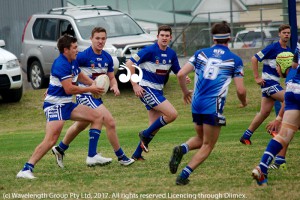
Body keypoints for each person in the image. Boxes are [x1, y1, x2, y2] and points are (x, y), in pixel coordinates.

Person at [169, 21, 247, 185]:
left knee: (201, 137)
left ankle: (182, 149)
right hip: (213, 106)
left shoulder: (200, 54)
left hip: (196, 103)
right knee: (208, 145)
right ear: (229, 38)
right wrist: (244, 102)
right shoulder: (235, 59)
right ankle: (184, 175)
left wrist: (185, 92)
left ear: (213, 38)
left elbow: (181, 74)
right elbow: (240, 90)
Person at [16, 35, 105, 179]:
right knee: (51, 139)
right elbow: (69, 89)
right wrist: (91, 89)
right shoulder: (61, 64)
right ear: (66, 50)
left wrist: (92, 84)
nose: (77, 50)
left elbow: (80, 75)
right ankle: (26, 169)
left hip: (66, 104)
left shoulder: (73, 60)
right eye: (74, 47)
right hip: (54, 105)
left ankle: (92, 156)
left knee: (97, 117)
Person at [52, 27, 134, 168]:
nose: (100, 41)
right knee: (109, 121)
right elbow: (67, 71)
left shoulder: (107, 57)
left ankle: (60, 149)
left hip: (95, 96)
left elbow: (111, 78)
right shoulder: (82, 56)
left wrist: (115, 86)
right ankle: (119, 157)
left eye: (103, 38)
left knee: (80, 125)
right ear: (91, 39)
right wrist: (52, 87)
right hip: (84, 94)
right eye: (97, 38)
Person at [125, 25, 186, 161]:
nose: (164, 38)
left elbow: (178, 71)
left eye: (167, 36)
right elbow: (129, 64)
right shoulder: (149, 50)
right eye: (162, 35)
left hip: (157, 90)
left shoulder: (171, 54)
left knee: (154, 127)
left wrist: (184, 76)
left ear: (170, 37)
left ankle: (136, 154)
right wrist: (135, 84)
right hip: (146, 89)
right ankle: (144, 134)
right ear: (157, 36)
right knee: (172, 114)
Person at [252, 42, 300, 186]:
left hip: (293, 89)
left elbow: (294, 64)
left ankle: (262, 167)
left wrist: (279, 118)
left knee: (284, 135)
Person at [240, 24, 292, 145]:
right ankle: (276, 127)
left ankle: (246, 136)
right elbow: (254, 58)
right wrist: (257, 77)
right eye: (284, 32)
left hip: (274, 83)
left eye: (288, 33)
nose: (286, 35)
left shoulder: (288, 51)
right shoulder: (273, 48)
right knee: (289, 98)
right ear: (279, 34)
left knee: (264, 112)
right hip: (268, 83)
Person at [264, 43, 299, 170]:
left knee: (284, 128)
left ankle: (277, 162)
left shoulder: (292, 77)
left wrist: (278, 119)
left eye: (277, 66)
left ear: (283, 65)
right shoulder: (293, 73)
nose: (276, 70)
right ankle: (279, 161)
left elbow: (287, 99)